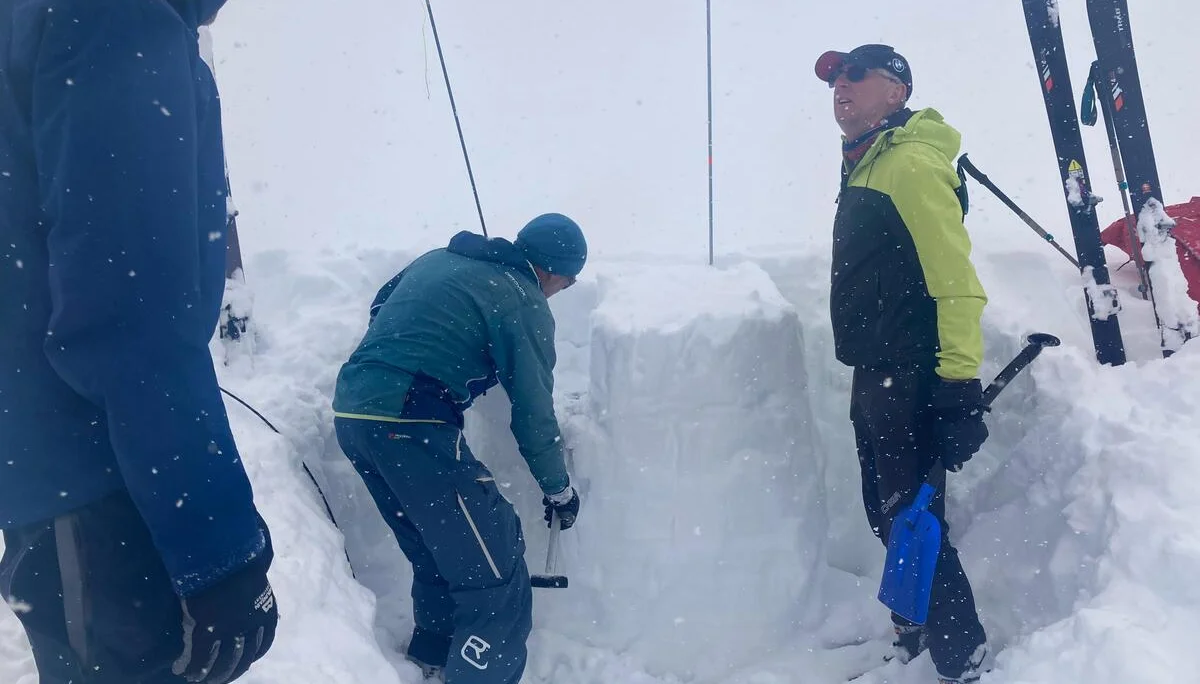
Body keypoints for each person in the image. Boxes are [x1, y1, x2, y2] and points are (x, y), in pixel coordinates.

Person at [0, 2, 278, 683]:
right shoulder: (115, 13)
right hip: (103, 487)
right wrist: (219, 551)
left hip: (53, 479)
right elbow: (130, 311)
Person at [332, 214, 586, 683]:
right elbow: (532, 412)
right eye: (566, 284)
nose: (558, 292)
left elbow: (382, 305)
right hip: (411, 423)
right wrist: (558, 488)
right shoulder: (523, 298)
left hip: (353, 414)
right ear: (553, 271)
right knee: (495, 567)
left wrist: (437, 351)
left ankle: (433, 660)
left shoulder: (440, 258)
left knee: (439, 549)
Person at [815, 44, 991, 683]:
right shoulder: (864, 165)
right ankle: (914, 630)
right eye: (834, 80)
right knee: (889, 510)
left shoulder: (910, 164)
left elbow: (955, 280)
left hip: (911, 372)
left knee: (913, 516)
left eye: (855, 76)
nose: (841, 87)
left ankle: (960, 658)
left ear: (896, 90)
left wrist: (959, 383)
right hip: (877, 372)